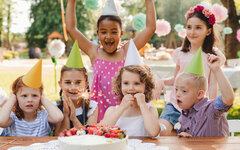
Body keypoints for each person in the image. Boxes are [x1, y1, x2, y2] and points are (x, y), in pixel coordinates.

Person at [66, 0, 156, 122]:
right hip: (100, 112)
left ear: (121, 34)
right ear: (97, 33)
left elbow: (150, 28)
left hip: (125, 111)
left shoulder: (127, 50)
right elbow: (71, 28)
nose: (108, 36)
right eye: (103, 32)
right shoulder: (94, 52)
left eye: (114, 32)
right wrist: (71, 2)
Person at [155, 4, 226, 136]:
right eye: (189, 27)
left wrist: (210, 109)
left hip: (197, 109)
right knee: (161, 131)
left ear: (208, 31)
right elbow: (176, 80)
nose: (192, 32)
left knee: (191, 137)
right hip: (176, 106)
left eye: (198, 28)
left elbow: (212, 84)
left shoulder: (212, 56)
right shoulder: (181, 53)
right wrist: (162, 81)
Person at [176, 52, 234, 137]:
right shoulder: (184, 114)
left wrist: (216, 69)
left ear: (199, 94)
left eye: (184, 91)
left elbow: (228, 98)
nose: (177, 94)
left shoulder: (210, 109)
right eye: (176, 90)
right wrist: (186, 136)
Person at [0, 59, 63, 136]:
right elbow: (1, 121)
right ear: (16, 98)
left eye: (34, 95)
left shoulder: (44, 117)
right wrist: (12, 99)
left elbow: (58, 117)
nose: (29, 100)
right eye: (24, 96)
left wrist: (43, 99)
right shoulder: (13, 118)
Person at [99, 65, 160, 137]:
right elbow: (101, 130)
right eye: (126, 83)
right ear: (120, 85)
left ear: (146, 87)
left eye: (137, 83)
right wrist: (122, 107)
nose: (131, 88)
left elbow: (154, 133)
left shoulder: (150, 110)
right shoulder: (112, 110)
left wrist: (143, 105)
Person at [55, 41, 98, 135]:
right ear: (60, 84)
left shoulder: (92, 107)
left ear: (86, 84)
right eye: (68, 82)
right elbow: (58, 137)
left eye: (78, 82)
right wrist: (66, 115)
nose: (73, 87)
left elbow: (89, 137)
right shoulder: (55, 107)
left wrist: (73, 118)